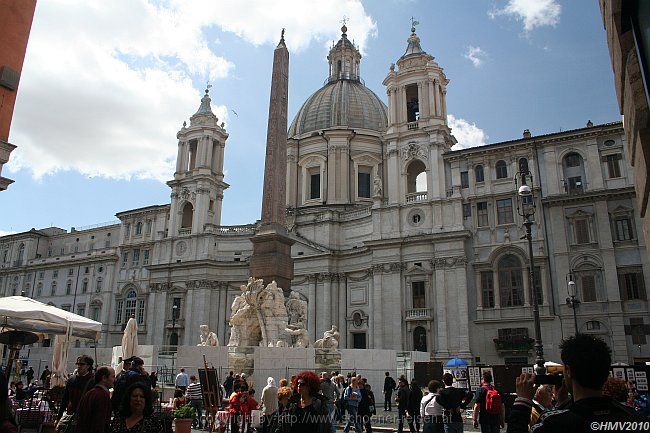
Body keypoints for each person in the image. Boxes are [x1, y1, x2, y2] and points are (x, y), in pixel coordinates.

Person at [506, 334, 645, 433]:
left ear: (568, 371)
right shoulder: (635, 418)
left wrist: (522, 402)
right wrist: (563, 402)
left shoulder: (554, 425)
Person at [56, 355, 94, 428]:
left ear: (88, 366)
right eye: (78, 364)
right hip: (71, 414)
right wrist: (59, 417)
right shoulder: (71, 379)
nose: (79, 366)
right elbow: (65, 399)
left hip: (85, 417)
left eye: (82, 364)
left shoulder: (93, 380)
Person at [75, 366, 115, 433]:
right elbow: (99, 423)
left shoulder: (90, 393)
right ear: (104, 378)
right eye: (113, 376)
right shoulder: (102, 396)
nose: (115, 379)